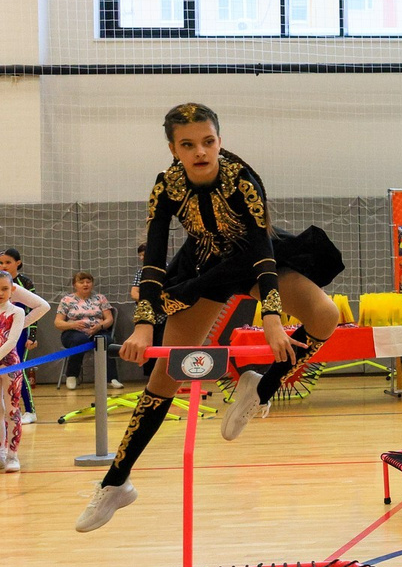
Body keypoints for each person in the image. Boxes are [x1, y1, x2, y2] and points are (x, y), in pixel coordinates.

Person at [76, 103, 345, 533]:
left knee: (325, 315)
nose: (200, 152)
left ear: (219, 140)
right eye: (188, 145)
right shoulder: (166, 186)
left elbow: (261, 251)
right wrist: (144, 323)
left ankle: (260, 388)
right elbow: (154, 260)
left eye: (208, 142)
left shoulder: (241, 180)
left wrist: (271, 316)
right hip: (203, 267)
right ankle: (116, 483)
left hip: (255, 260)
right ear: (173, 149)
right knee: (165, 375)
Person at [0, 267, 48, 472]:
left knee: (12, 410)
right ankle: (1, 451)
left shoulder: (17, 311)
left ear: (12, 290)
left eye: (4, 289)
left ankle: (13, 455)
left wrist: (19, 328)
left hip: (11, 364)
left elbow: (11, 342)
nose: (1, 293)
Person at [55, 272, 122, 390]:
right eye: (81, 282)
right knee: (80, 340)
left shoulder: (100, 298)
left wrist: (100, 326)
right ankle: (72, 375)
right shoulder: (67, 300)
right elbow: (58, 322)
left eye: (88, 282)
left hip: (97, 331)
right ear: (75, 285)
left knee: (106, 340)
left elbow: (109, 319)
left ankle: (112, 378)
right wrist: (72, 325)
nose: (85, 284)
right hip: (73, 333)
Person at [0, 249, 38, 424]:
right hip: (2, 332)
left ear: (18, 263)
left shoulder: (24, 282)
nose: (4, 266)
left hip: (19, 333)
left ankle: (30, 410)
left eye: (8, 262)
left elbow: (34, 309)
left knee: (18, 369)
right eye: (1, 263)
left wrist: (31, 335)